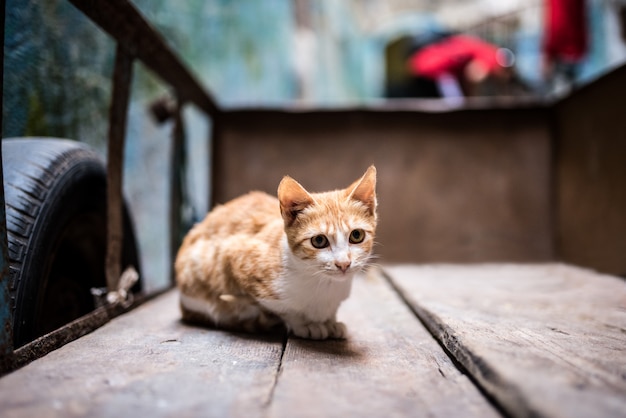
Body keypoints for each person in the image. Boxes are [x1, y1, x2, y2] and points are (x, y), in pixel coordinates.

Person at [407, 34, 515, 98]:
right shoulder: (491, 57)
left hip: (423, 66)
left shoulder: (485, 49)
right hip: (434, 69)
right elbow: (474, 74)